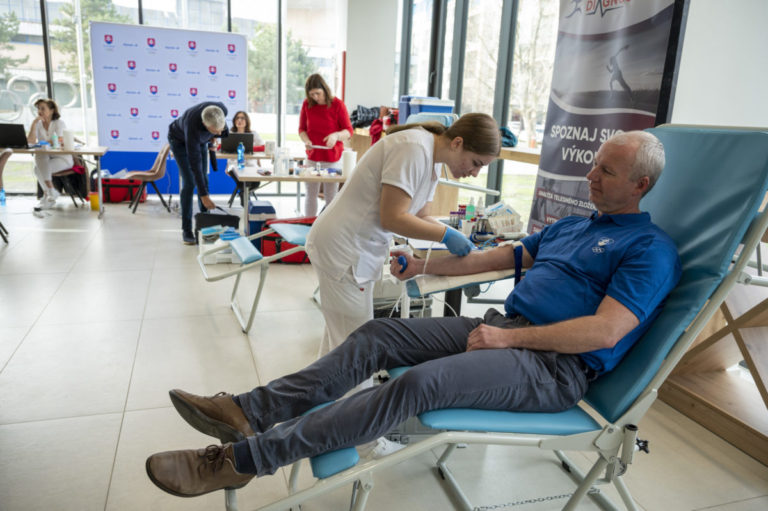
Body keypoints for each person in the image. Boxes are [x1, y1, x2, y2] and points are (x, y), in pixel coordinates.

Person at [145, 130, 682, 497]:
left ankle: (243, 462)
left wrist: (510, 342)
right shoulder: (573, 227)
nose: (591, 176)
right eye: (594, 165)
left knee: (418, 385)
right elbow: (498, 257)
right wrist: (424, 260)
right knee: (378, 335)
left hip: (554, 367)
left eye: (606, 172)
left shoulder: (650, 250)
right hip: (503, 331)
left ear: (641, 185)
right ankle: (246, 410)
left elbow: (605, 330)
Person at [308, 113, 498, 360]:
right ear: (457, 143)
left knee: (341, 344)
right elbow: (393, 217)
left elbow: (420, 215)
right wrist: (445, 235)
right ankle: (355, 398)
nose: (474, 173)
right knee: (356, 352)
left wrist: (451, 234)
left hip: (354, 248)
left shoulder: (434, 159)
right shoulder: (413, 148)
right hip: (342, 249)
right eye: (476, 163)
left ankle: (323, 398)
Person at [168, 102, 228, 245]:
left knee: (204, 180)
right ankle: (187, 229)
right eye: (215, 131)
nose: (219, 133)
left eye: (220, 130)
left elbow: (221, 131)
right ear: (204, 124)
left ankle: (204, 225)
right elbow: (195, 166)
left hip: (202, 141)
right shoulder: (192, 127)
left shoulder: (221, 109)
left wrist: (214, 136)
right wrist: (204, 196)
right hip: (179, 141)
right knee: (189, 182)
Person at [298, 74, 353, 216]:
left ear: (325, 89)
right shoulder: (307, 104)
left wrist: (336, 135)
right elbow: (302, 129)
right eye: (312, 94)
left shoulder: (337, 105)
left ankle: (327, 228)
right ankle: (308, 225)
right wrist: (306, 140)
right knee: (311, 194)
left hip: (332, 159)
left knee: (331, 196)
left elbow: (349, 131)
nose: (315, 97)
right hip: (313, 157)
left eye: (318, 93)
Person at [27, 98, 73, 210]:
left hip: (63, 159)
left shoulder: (59, 123)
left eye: (43, 108)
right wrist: (34, 123)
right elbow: (31, 141)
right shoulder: (38, 124)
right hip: (47, 158)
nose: (40, 111)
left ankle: (48, 194)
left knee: (40, 168)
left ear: (52, 110)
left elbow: (59, 139)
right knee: (37, 166)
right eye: (38, 108)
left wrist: (44, 143)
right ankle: (50, 193)